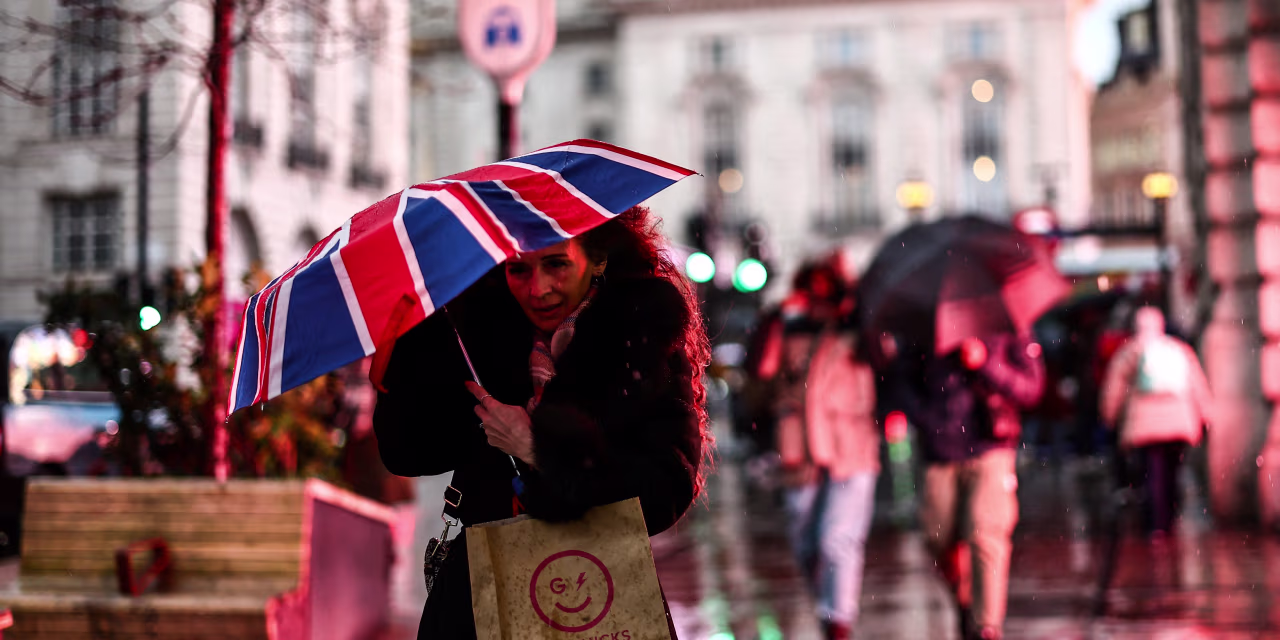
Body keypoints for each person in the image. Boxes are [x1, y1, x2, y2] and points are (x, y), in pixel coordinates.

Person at [372, 206, 712, 639]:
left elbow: (666, 489)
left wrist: (539, 450)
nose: (538, 289)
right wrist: (411, 346)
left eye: (556, 265)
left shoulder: (639, 334)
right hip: (479, 597)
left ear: (598, 259)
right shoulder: (475, 334)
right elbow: (408, 451)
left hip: (600, 595)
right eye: (518, 269)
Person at [885, 332, 1044, 640]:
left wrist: (985, 362)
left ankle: (987, 626)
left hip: (992, 445)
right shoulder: (925, 324)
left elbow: (1030, 389)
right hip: (939, 452)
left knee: (987, 533)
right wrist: (925, 416)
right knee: (937, 538)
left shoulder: (1010, 324)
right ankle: (967, 601)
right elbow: (901, 381)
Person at [766, 279, 880, 640]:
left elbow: (884, 358)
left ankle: (838, 621)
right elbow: (761, 367)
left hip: (852, 450)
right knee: (806, 544)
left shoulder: (859, 333)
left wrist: (857, 309)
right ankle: (831, 612)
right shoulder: (789, 332)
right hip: (802, 453)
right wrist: (776, 314)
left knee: (837, 540)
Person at [1099, 306, 1213, 536]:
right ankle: (1169, 519)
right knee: (1172, 472)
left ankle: (1155, 525)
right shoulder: (1178, 349)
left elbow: (1114, 388)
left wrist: (1109, 417)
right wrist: (1207, 416)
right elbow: (1197, 384)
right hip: (1179, 423)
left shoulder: (1130, 351)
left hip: (1145, 425)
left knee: (1152, 473)